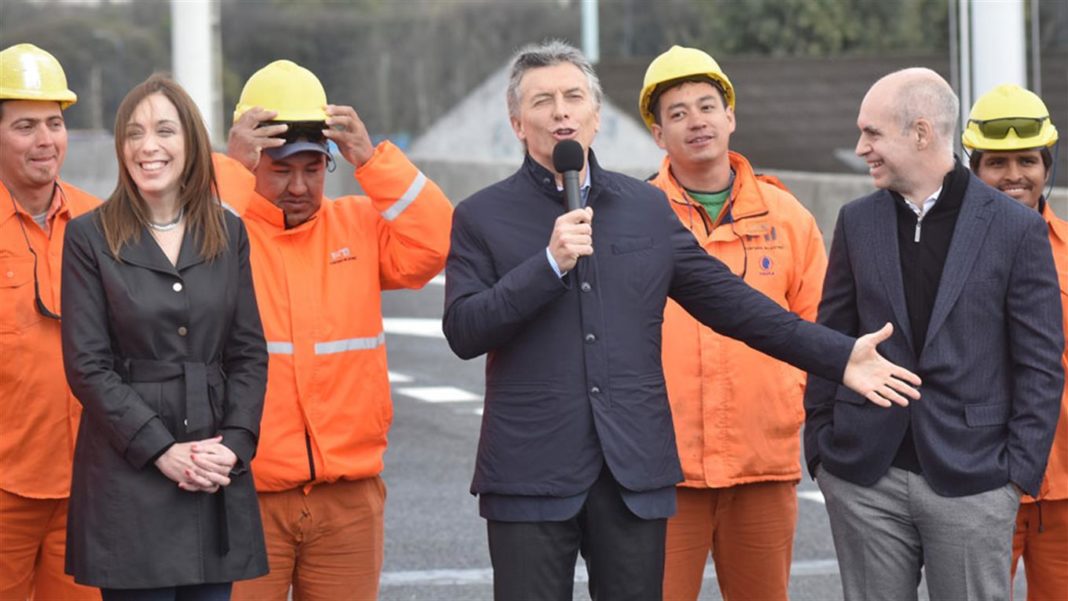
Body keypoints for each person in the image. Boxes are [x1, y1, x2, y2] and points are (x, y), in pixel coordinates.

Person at [443, 40, 921, 601]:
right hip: (529, 474)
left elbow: (736, 306)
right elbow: (465, 330)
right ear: (518, 123)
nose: (561, 111)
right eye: (543, 101)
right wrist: (548, 264)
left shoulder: (645, 209)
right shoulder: (480, 216)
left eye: (574, 97)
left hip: (634, 474)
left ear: (596, 117)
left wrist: (840, 357)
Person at [804, 69, 1064, 601]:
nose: (861, 148)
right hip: (863, 477)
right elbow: (830, 339)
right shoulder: (857, 222)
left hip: (976, 481)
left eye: (872, 133)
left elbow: (1041, 362)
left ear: (920, 133)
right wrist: (822, 451)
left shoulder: (1017, 228)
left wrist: (1015, 476)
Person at [212, 60, 453, 601]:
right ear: (251, 161)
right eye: (280, 169)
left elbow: (436, 243)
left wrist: (373, 160)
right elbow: (173, 256)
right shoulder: (223, 231)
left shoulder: (358, 224)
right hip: (244, 495)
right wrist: (228, 166)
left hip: (347, 497)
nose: (298, 186)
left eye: (313, 169)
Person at [60, 74, 269, 599]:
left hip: (213, 466)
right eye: (134, 134)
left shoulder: (228, 233)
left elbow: (247, 352)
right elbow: (88, 366)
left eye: (164, 131)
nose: (147, 146)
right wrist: (162, 451)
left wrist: (237, 444)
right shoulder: (89, 236)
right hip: (130, 476)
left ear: (191, 143)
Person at [638, 46, 828, 601]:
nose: (696, 121)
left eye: (706, 106)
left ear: (730, 118)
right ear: (657, 134)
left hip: (763, 461)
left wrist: (798, 410)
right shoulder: (631, 216)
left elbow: (820, 328)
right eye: (677, 113)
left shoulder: (786, 215)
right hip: (661, 470)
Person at [0, 43, 101, 601]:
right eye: (25, 126)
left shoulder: (101, 223)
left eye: (55, 123)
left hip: (88, 486)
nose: (45, 140)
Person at [961, 83, 1067, 601]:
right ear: (974, 169)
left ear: (1048, 167)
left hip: (1066, 489)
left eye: (1027, 160)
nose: (1013, 176)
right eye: (996, 163)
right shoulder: (945, 255)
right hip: (978, 482)